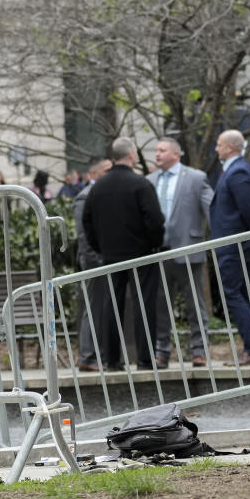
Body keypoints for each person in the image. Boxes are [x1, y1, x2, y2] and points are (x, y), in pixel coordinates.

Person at [83, 138, 164, 371]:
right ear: (131, 155)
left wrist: (101, 247)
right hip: (142, 254)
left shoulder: (97, 187)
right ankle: (146, 359)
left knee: (112, 306)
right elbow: (155, 220)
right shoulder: (141, 184)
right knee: (144, 305)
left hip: (111, 255)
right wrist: (153, 244)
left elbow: (87, 221)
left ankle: (112, 360)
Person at [147, 138, 214, 368]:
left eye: (162, 150)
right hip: (158, 253)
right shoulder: (149, 180)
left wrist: (219, 240)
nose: (157, 154)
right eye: (156, 150)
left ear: (176, 154)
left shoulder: (195, 178)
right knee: (161, 306)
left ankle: (199, 351)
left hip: (188, 250)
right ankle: (161, 352)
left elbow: (211, 210)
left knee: (195, 305)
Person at [211, 129, 250, 366]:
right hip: (238, 243)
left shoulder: (238, 171)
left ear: (231, 147)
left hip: (235, 245)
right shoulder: (237, 170)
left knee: (235, 294)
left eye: (219, 144)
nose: (216, 148)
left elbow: (248, 209)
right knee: (244, 294)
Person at [74, 156, 111, 371]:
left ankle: (100, 355)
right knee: (93, 307)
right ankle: (87, 357)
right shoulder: (84, 197)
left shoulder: (102, 193)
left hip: (104, 259)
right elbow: (83, 235)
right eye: (106, 169)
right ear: (94, 174)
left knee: (102, 308)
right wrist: (95, 259)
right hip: (93, 260)